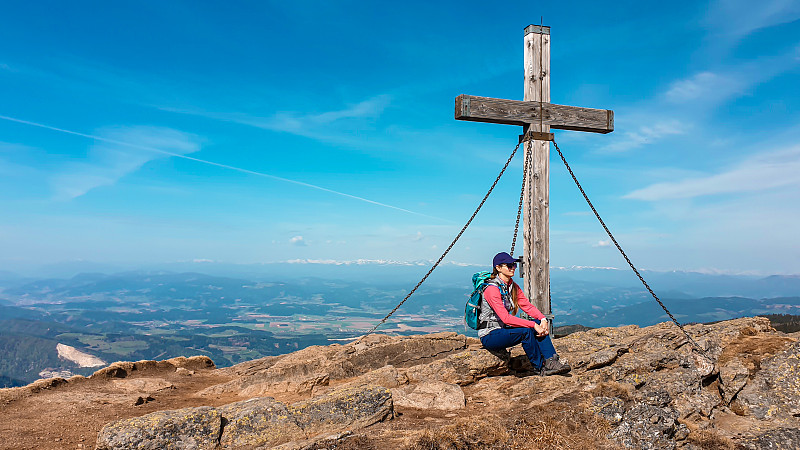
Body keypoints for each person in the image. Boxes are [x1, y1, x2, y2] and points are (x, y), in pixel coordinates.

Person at [478, 252, 571, 376]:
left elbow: (526, 305)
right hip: (489, 335)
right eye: (509, 265)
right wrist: (532, 325)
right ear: (498, 268)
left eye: (514, 265)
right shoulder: (492, 289)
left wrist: (542, 319)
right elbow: (506, 318)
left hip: (502, 330)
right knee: (526, 332)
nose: (513, 268)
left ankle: (551, 361)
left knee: (537, 324)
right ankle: (540, 368)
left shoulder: (511, 286)